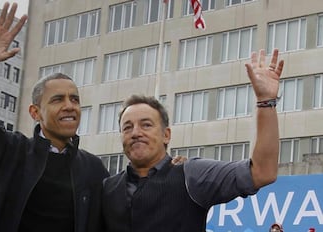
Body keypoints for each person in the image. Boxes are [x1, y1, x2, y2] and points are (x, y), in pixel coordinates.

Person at [0, 2, 109, 232]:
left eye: (74, 99)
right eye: (57, 99)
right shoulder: (9, 153)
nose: (69, 106)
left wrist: (176, 171)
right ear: (35, 112)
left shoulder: (94, 169)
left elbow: (128, 206)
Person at [101, 48, 284, 231]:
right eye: (127, 127)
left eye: (146, 125)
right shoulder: (107, 189)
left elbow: (262, 172)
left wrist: (265, 101)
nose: (136, 132)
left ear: (167, 135)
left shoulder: (192, 175)